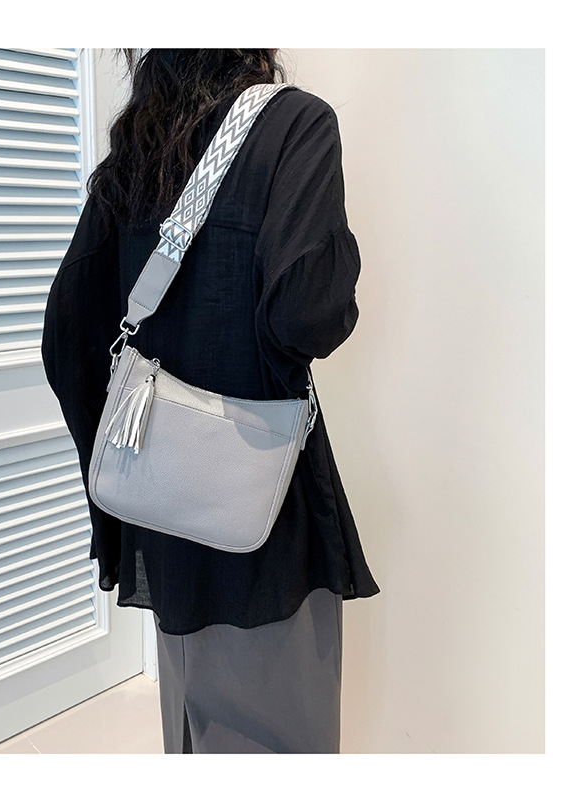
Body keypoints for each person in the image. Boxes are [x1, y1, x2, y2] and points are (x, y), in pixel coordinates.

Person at [41, 48, 380, 754]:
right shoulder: (295, 125)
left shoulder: (137, 149)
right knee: (277, 740)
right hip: (264, 516)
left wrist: (122, 472)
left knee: (192, 728)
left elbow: (68, 336)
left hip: (162, 511)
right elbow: (307, 316)